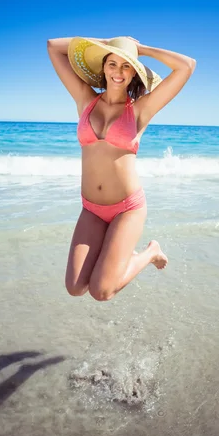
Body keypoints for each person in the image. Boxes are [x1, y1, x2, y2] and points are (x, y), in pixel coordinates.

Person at [47, 35, 196, 301]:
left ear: (134, 72)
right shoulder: (85, 99)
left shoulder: (141, 109)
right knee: (75, 287)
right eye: (112, 63)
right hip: (91, 208)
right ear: (103, 68)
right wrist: (107, 43)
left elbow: (187, 66)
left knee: (101, 291)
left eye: (126, 65)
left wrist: (140, 50)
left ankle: (150, 251)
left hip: (127, 208)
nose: (118, 71)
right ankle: (124, 256)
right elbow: (53, 47)